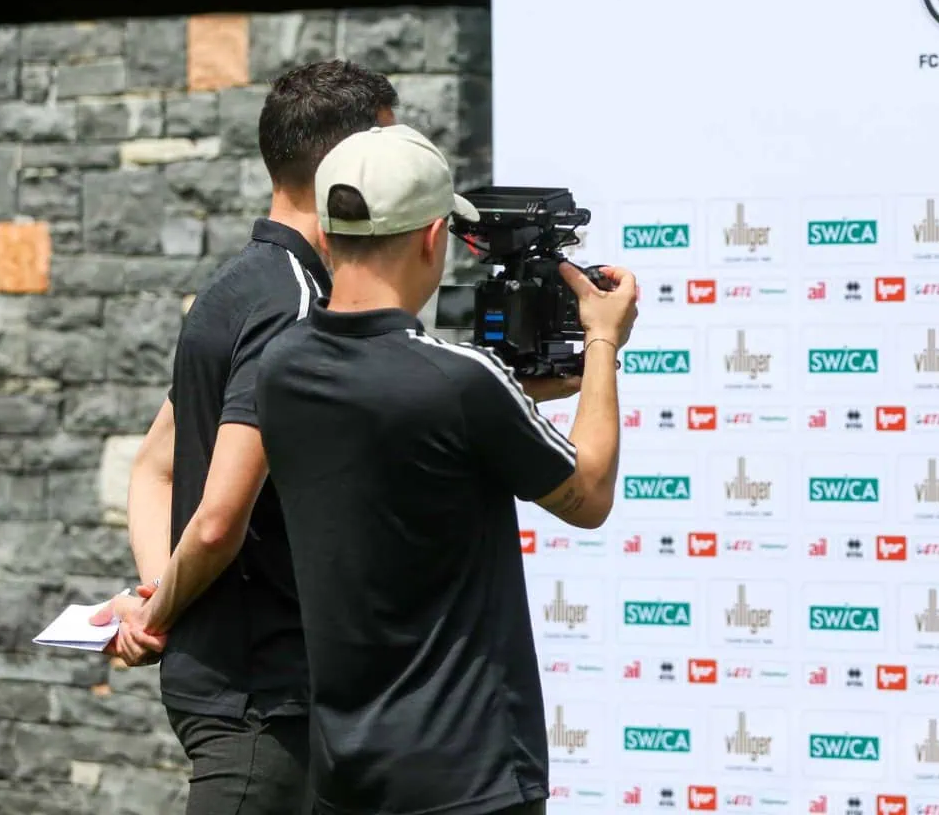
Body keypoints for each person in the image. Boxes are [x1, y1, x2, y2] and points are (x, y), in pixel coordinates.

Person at [254, 124, 638, 815]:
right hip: (469, 777)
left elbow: (399, 411)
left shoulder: (280, 366)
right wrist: (604, 339)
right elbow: (589, 493)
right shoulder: (460, 382)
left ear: (329, 235)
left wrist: (509, 395)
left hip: (345, 771)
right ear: (433, 238)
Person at [92, 60, 399, 815]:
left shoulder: (236, 286)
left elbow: (154, 470)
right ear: (347, 169)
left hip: (245, 696)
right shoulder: (295, 306)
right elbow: (217, 517)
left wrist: (156, 595)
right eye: (391, 153)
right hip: (265, 706)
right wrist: (159, 609)